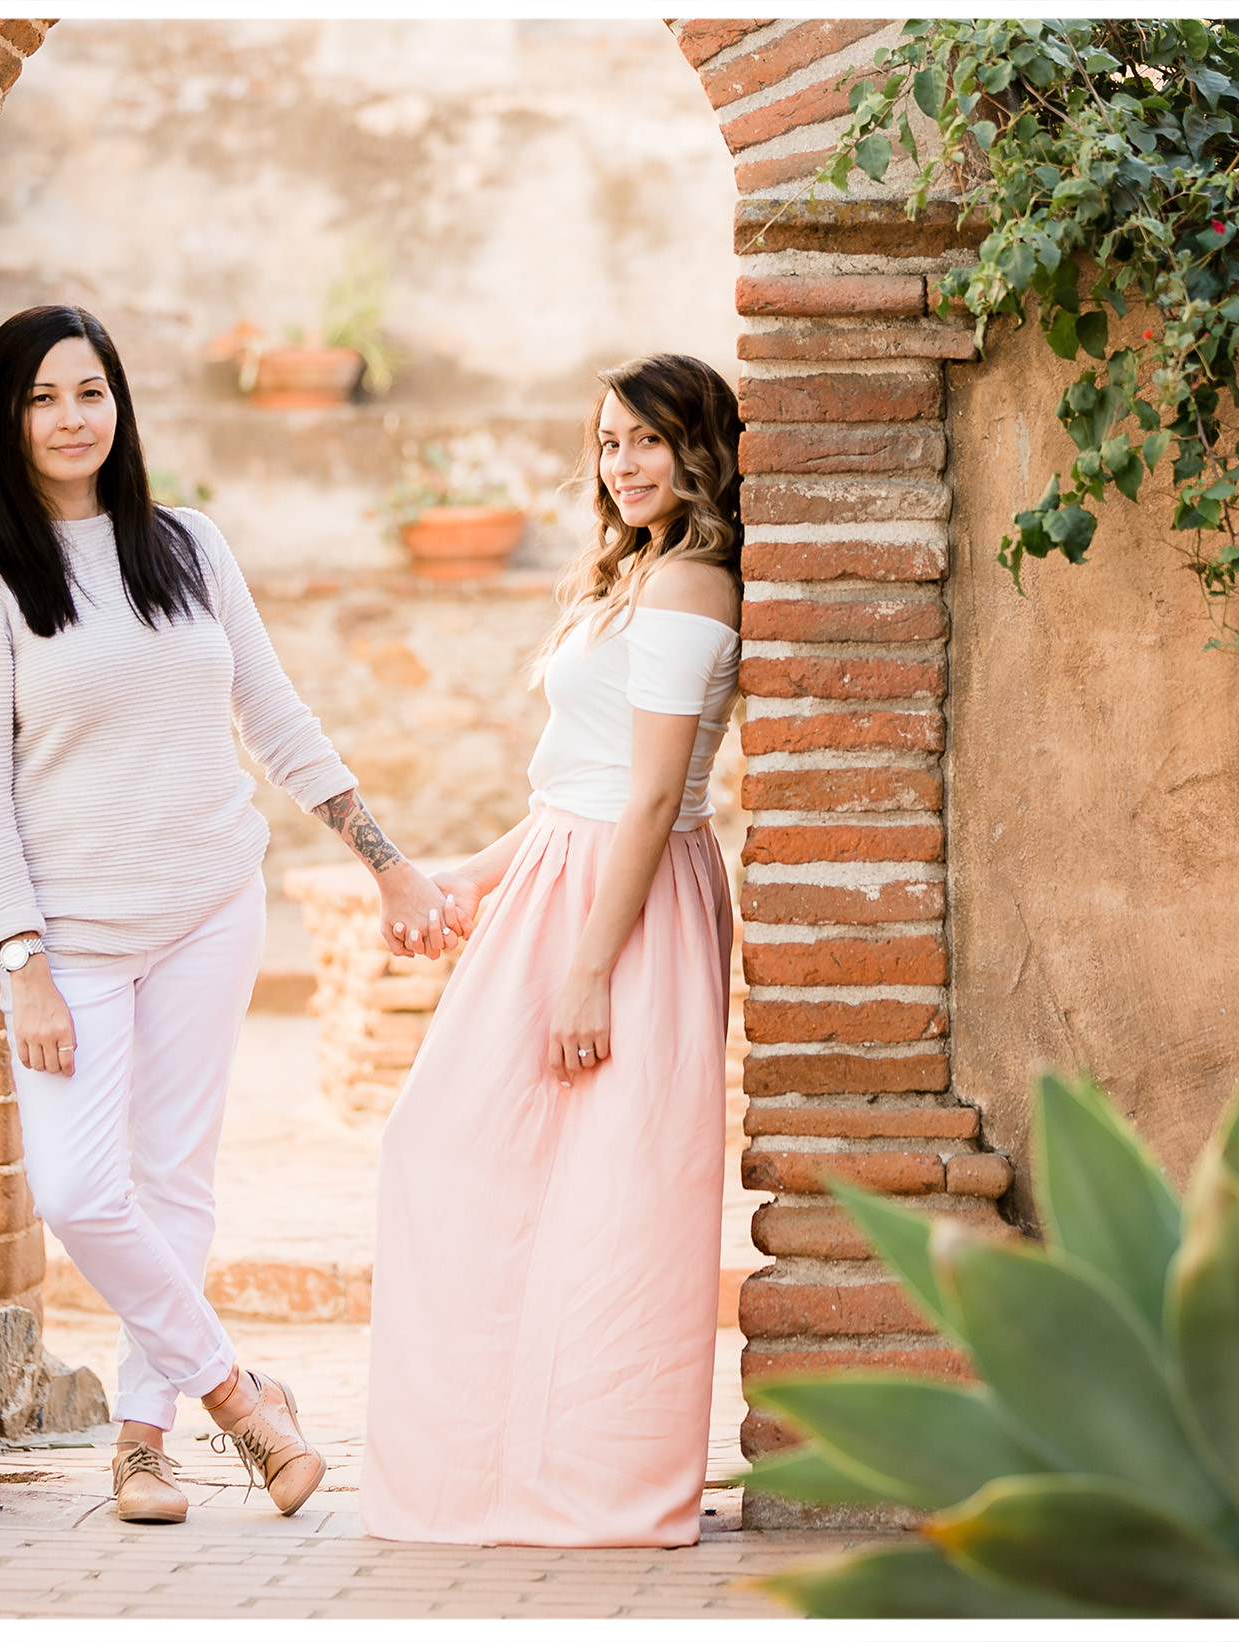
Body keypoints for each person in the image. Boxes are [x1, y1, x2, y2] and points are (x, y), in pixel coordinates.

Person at [0, 305, 456, 1527]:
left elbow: (273, 715)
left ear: (119, 406)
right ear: (5, 425)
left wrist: (381, 857)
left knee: (172, 1177)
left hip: (211, 903)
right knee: (79, 1190)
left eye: (91, 392)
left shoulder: (187, 546)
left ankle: (140, 1442)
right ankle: (238, 1394)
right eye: (41, 400)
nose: (72, 419)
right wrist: (19, 960)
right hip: (70, 933)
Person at [362, 354, 744, 1547]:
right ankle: (491, 1474)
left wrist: (588, 962)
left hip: (624, 906)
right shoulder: (633, 575)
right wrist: (479, 874)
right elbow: (572, 788)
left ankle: (600, 1486)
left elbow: (648, 799)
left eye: (646, 439)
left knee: (619, 1194)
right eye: (607, 442)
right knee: (460, 1153)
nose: (622, 464)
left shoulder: (691, 587)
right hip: (559, 880)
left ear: (700, 447)